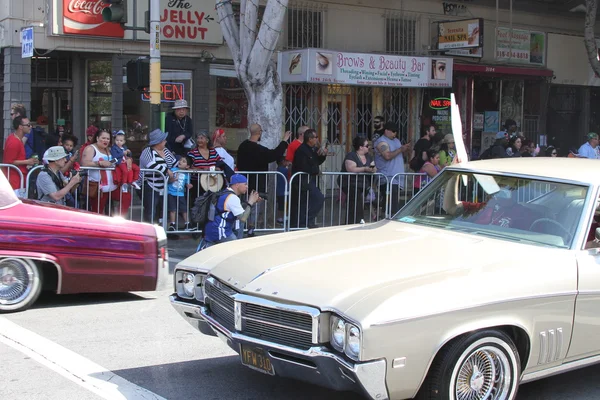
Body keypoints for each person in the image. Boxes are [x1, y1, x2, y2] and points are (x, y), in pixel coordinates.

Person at [237, 123, 291, 236]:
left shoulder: (242, 146)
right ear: (259, 132)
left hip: (242, 182)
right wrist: (284, 141)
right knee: (254, 207)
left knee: (243, 205)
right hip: (256, 182)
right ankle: (250, 227)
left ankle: (241, 227)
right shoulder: (258, 149)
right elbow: (274, 155)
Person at [443, 172, 536, 231]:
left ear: (514, 188)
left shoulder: (524, 213)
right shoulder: (483, 207)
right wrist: (454, 176)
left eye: (504, 184)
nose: (498, 187)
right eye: (496, 183)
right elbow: (450, 208)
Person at [202, 174, 262, 248]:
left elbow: (238, 211)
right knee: (236, 247)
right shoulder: (232, 197)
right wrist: (250, 202)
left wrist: (252, 202)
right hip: (220, 230)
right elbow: (243, 218)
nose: (247, 187)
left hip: (213, 228)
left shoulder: (226, 193)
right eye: (245, 184)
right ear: (237, 185)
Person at [290, 128, 327, 228]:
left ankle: (304, 222)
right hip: (303, 181)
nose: (317, 139)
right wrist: (315, 171)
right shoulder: (302, 150)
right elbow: (303, 166)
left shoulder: (312, 149)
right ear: (310, 139)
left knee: (307, 202)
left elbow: (316, 162)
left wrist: (323, 155)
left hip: (309, 180)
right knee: (318, 198)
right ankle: (306, 221)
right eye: (315, 137)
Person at [139, 129, 177, 224]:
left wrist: (174, 174)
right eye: (164, 140)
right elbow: (151, 165)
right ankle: (148, 231)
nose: (165, 141)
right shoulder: (147, 151)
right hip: (149, 185)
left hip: (163, 185)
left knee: (162, 211)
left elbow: (174, 163)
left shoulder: (166, 150)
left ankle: (161, 230)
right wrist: (167, 170)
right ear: (158, 142)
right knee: (150, 211)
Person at [80, 129, 122, 214]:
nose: (106, 140)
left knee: (110, 213)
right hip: (97, 188)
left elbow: (116, 159)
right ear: (97, 138)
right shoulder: (90, 148)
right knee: (96, 213)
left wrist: (127, 159)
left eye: (108, 138)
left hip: (111, 187)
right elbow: (84, 163)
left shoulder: (109, 149)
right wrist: (99, 163)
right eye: (103, 138)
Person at [374, 122, 411, 215]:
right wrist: (400, 149)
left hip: (396, 178)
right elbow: (387, 155)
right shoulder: (381, 141)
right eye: (393, 131)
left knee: (394, 204)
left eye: (396, 132)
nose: (395, 134)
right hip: (387, 178)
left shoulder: (396, 141)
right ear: (386, 131)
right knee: (390, 206)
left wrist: (406, 150)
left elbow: (401, 155)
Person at [340, 136, 376, 225]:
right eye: (367, 146)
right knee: (355, 203)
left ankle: (357, 221)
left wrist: (372, 169)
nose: (369, 147)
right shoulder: (351, 155)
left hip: (363, 184)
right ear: (360, 147)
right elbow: (351, 169)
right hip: (350, 184)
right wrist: (364, 169)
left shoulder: (369, 156)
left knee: (360, 203)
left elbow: (373, 167)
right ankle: (355, 222)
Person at [3, 116, 38, 197]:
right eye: (28, 125)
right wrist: (28, 161)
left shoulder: (15, 138)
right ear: (20, 127)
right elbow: (9, 161)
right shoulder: (14, 142)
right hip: (15, 182)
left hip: (18, 179)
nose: (31, 127)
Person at [167, 155, 194, 232]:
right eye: (180, 160)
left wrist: (189, 185)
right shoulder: (173, 170)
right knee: (172, 209)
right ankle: (172, 224)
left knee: (184, 209)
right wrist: (173, 179)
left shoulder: (186, 174)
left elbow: (187, 183)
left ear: (187, 166)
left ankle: (187, 223)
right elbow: (168, 181)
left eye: (183, 161)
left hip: (181, 194)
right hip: (171, 193)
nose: (180, 162)